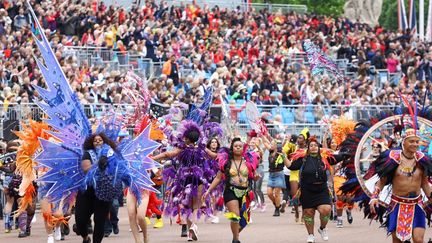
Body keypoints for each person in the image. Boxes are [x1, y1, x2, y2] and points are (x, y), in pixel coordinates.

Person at [369, 128, 432, 243]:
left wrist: (431, 198)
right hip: (397, 205)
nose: (415, 144)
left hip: (417, 205)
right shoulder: (393, 159)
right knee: (397, 241)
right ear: (404, 142)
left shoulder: (422, 160)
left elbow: (424, 184)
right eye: (411, 141)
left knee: (419, 240)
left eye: (417, 142)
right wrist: (374, 196)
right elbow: (382, 181)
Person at [286, 137, 346, 243]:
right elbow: (291, 166)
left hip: (321, 190)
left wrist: (352, 151)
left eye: (315, 146)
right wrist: (283, 156)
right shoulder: (303, 159)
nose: (313, 147)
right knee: (308, 212)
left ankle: (322, 229)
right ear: (308, 148)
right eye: (311, 146)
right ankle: (311, 235)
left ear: (319, 148)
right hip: (307, 190)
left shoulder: (325, 158)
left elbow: (340, 157)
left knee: (326, 209)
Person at [202, 137, 260, 243]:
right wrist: (208, 190)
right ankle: (236, 239)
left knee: (244, 220)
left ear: (243, 148)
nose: (238, 148)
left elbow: (254, 175)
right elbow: (218, 178)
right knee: (235, 216)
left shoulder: (248, 162)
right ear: (232, 148)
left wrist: (256, 177)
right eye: (236, 146)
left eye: (240, 146)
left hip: (245, 193)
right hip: (231, 191)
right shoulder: (226, 162)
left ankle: (235, 235)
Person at [75, 133, 128, 243]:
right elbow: (86, 170)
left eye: (100, 140)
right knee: (80, 220)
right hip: (87, 191)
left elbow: (119, 168)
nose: (98, 142)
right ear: (92, 143)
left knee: (99, 222)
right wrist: (98, 163)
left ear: (104, 141)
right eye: (95, 140)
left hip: (104, 192)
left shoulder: (112, 154)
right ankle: (85, 237)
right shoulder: (87, 154)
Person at [260, 135, 286, 217]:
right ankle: (277, 205)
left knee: (277, 193)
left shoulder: (281, 152)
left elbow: (285, 157)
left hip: (279, 174)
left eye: (272, 143)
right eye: (270, 143)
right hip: (271, 175)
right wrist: (261, 134)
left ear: (276, 145)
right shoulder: (271, 151)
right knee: (269, 193)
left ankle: (277, 210)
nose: (270, 144)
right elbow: (264, 142)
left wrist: (282, 150)